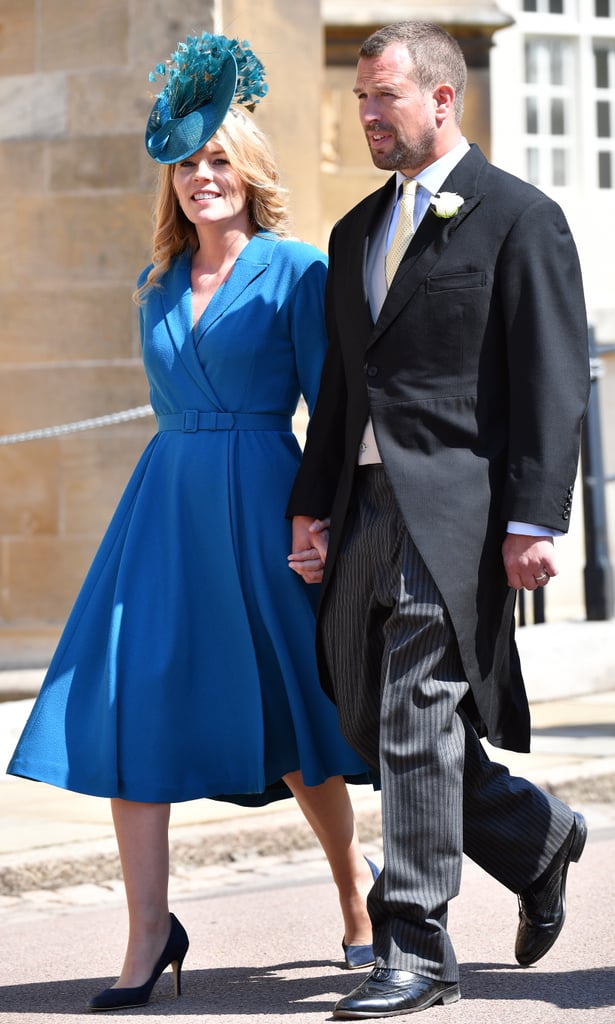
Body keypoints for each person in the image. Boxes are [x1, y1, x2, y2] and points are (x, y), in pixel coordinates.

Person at [7, 33, 379, 1012]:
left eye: (218, 160)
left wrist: (322, 523)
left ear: (251, 172)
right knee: (136, 712)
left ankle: (353, 888)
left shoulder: (297, 271)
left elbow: (329, 415)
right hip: (165, 514)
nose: (199, 178)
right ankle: (145, 935)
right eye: (185, 163)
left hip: (266, 508)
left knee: (299, 721)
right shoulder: (153, 286)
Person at [288, 20, 590, 1019]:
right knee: (368, 715)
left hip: (458, 513)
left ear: (443, 99)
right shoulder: (354, 232)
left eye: (384, 97)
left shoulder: (519, 216)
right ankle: (534, 836)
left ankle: (413, 942)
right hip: (362, 506)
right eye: (362, 98)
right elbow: (341, 388)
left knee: (416, 714)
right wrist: (310, 507)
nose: (367, 113)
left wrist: (536, 519)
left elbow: (553, 380)